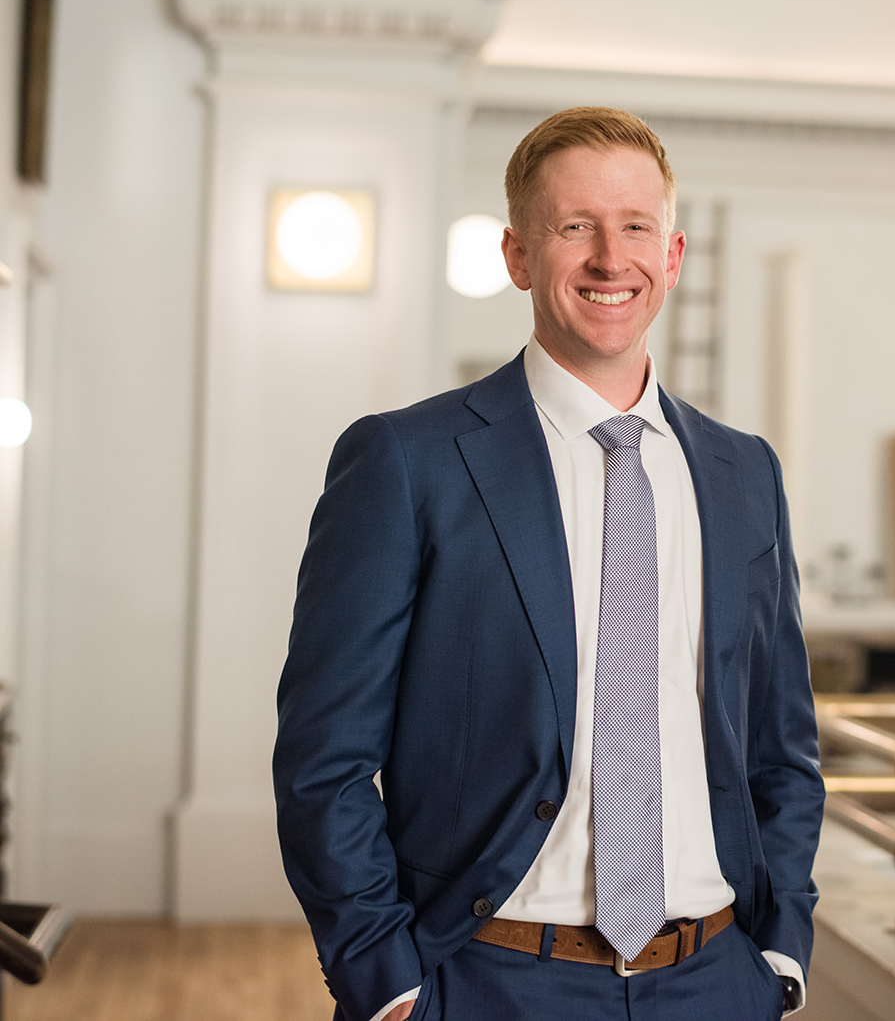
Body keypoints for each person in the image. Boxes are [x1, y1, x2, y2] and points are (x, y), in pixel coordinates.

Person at [272, 106, 825, 1021]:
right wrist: (388, 981)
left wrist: (780, 952)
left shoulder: (743, 475)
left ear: (674, 254)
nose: (612, 258)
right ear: (519, 257)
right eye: (576, 228)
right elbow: (323, 759)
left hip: (715, 980)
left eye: (636, 226)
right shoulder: (409, 463)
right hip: (486, 982)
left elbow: (783, 745)